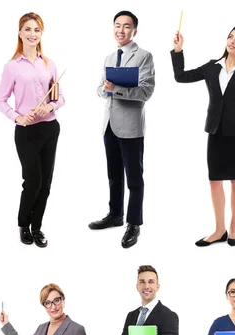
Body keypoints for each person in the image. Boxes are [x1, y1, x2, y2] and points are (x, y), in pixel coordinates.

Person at [171, 27, 235, 247]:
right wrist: (177, 51)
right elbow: (180, 77)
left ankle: (233, 226)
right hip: (215, 131)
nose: (232, 41)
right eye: (230, 36)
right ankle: (219, 229)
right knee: (214, 180)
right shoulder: (212, 67)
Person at [0, 12, 64, 248]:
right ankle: (23, 224)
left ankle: (38, 227)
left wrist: (50, 106)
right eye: (28, 29)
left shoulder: (50, 64)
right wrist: (19, 116)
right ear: (20, 32)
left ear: (41, 33)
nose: (32, 34)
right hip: (26, 131)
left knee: (46, 182)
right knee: (32, 180)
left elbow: (60, 97)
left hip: (50, 128)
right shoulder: (12, 67)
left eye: (37, 30)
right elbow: (0, 101)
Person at [89, 11, 155, 249]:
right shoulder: (109, 57)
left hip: (131, 127)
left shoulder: (144, 56)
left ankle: (133, 223)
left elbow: (146, 92)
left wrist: (116, 88)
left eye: (126, 26)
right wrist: (105, 89)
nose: (121, 30)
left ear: (134, 31)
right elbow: (99, 89)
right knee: (114, 175)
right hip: (109, 124)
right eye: (117, 25)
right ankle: (115, 215)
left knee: (134, 179)